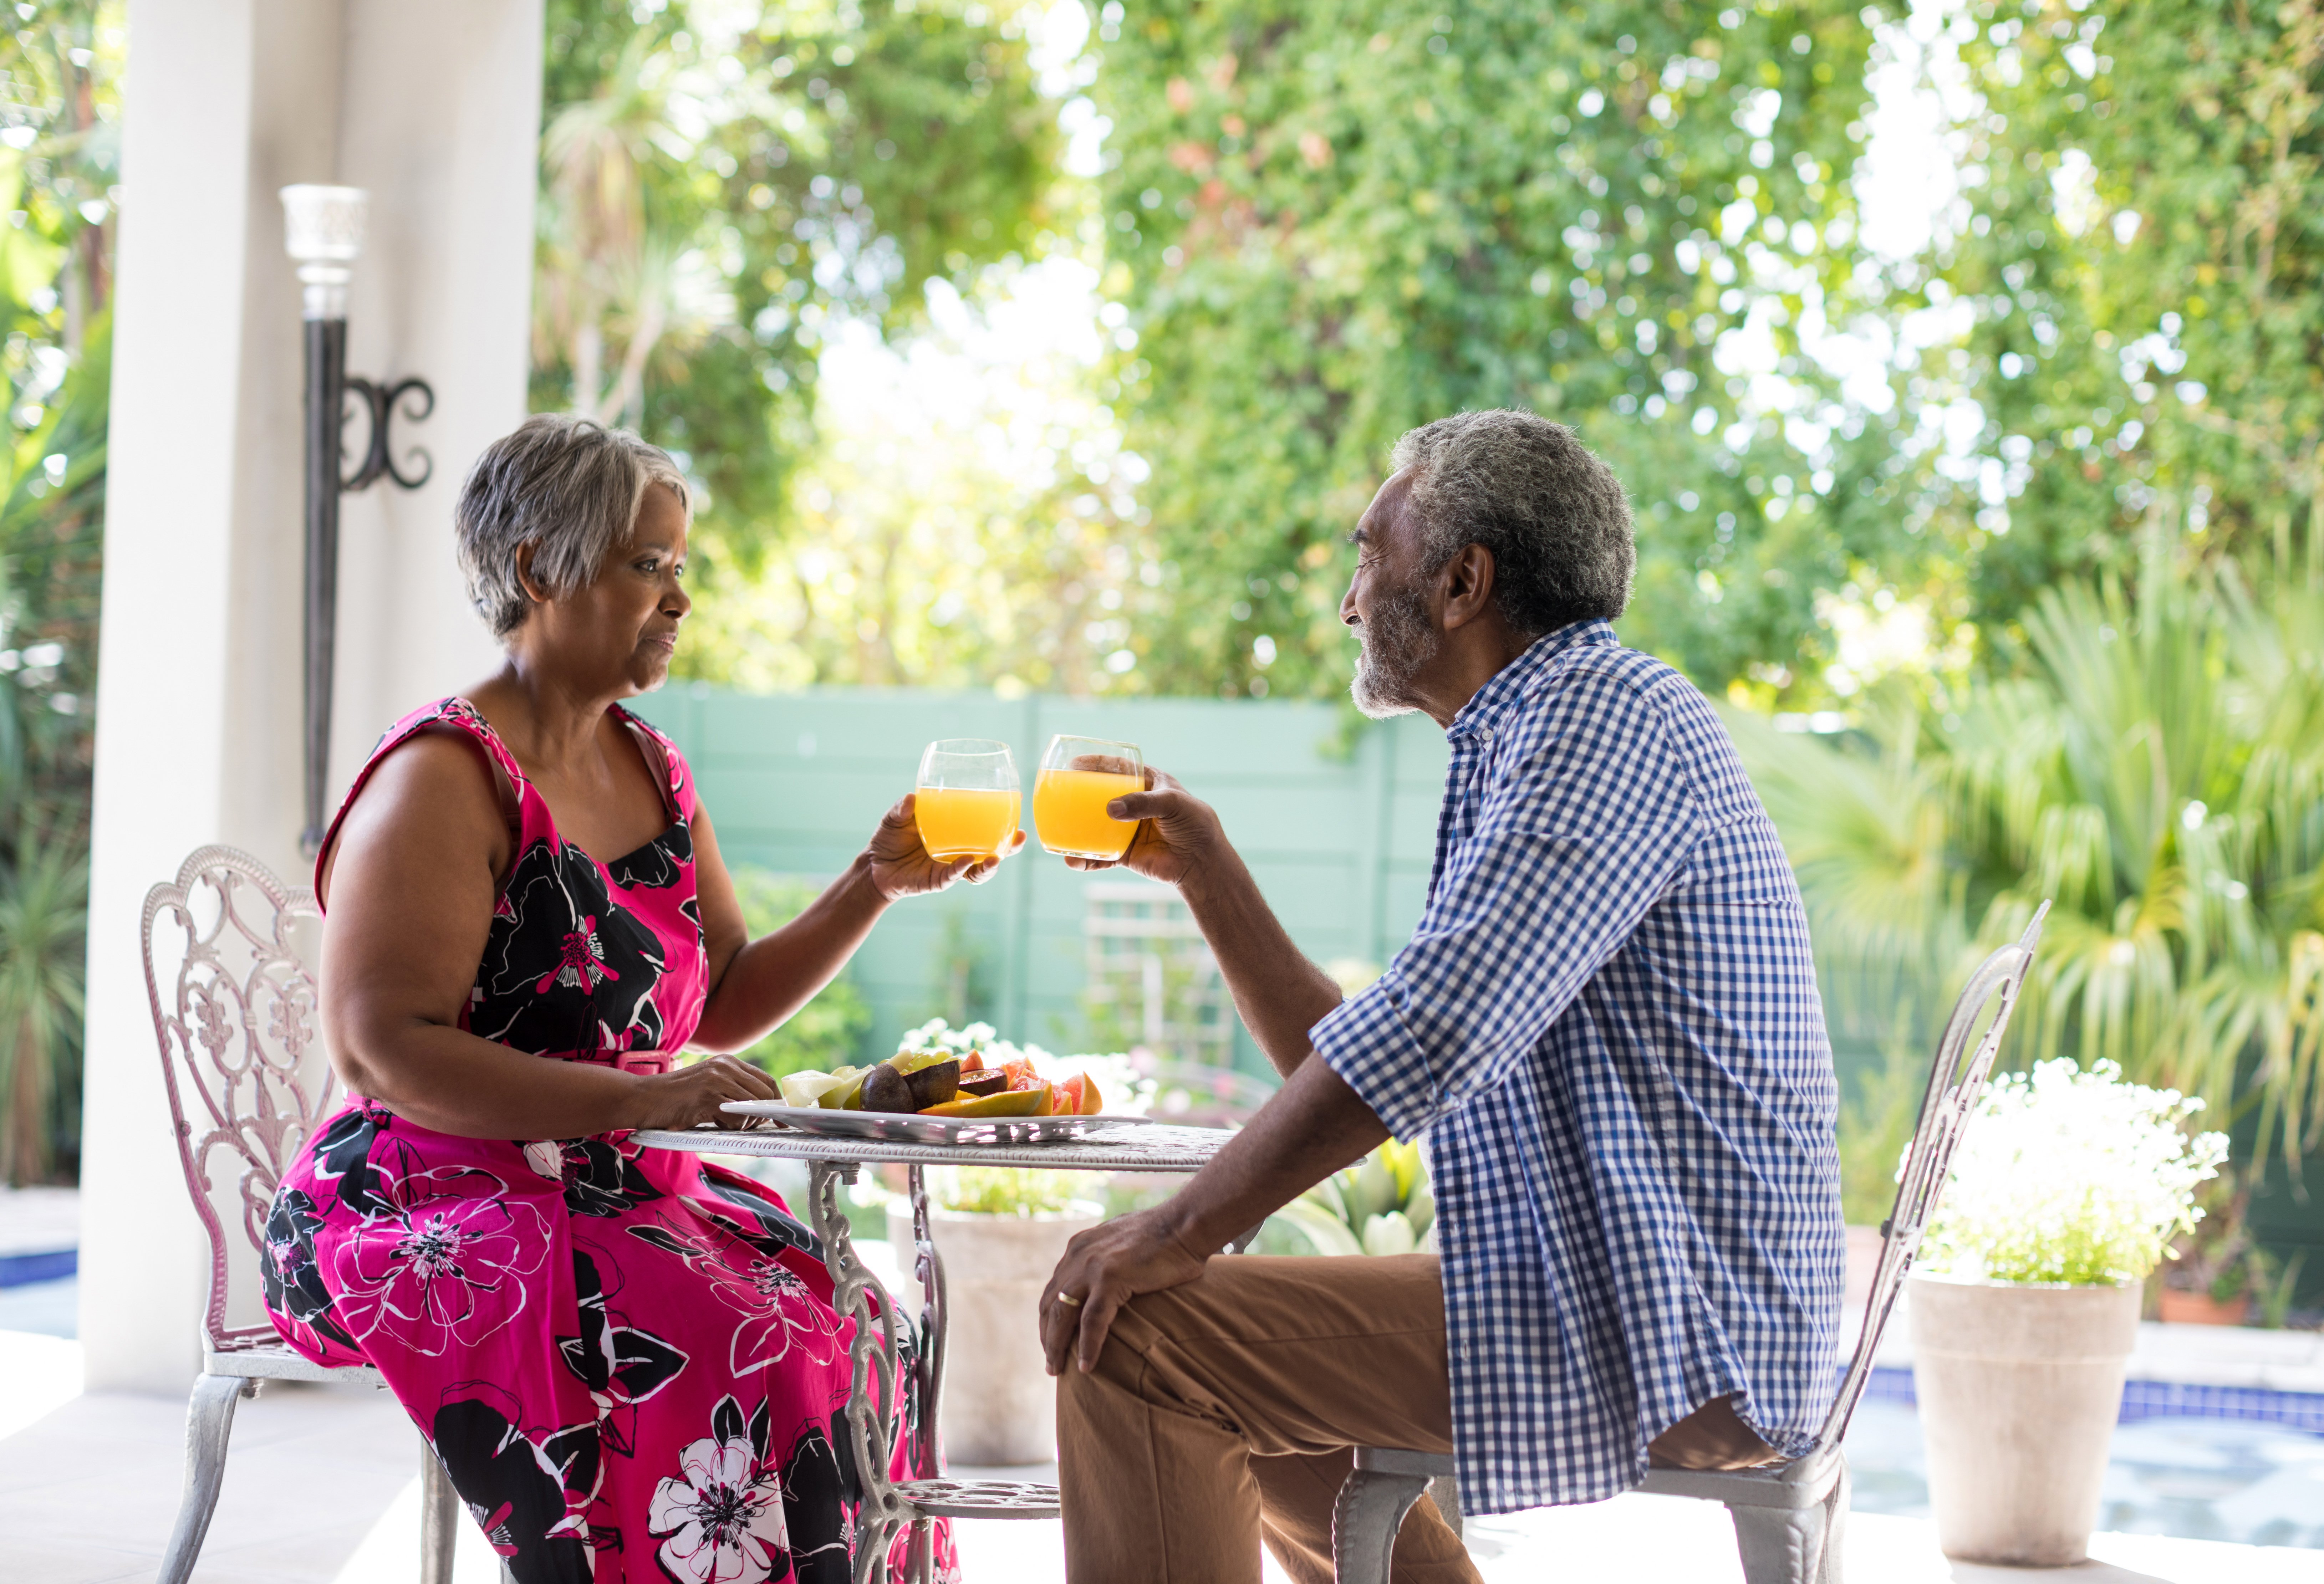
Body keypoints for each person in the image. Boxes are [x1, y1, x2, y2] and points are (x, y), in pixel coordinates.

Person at [1038, 410, 1844, 1582]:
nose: (1351, 600)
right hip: (1626, 1285)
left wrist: (1176, 1227)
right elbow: (1376, 1050)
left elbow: (1429, 1037)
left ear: (1464, 582)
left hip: (1678, 1321)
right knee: (1177, 1330)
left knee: (1137, 1330)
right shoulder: (1544, 727)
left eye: (1372, 554)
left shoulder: (1595, 722)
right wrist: (1206, 869)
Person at [259, 415, 1006, 1584]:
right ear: (539, 569)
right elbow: (381, 1052)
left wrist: (876, 885)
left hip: (618, 1185)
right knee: (727, 1337)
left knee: (861, 1329)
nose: (679, 598)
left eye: (680, 568)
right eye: (647, 565)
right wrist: (633, 1099)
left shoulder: (653, 767)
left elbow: (724, 999)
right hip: (428, 1196)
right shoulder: (444, 776)